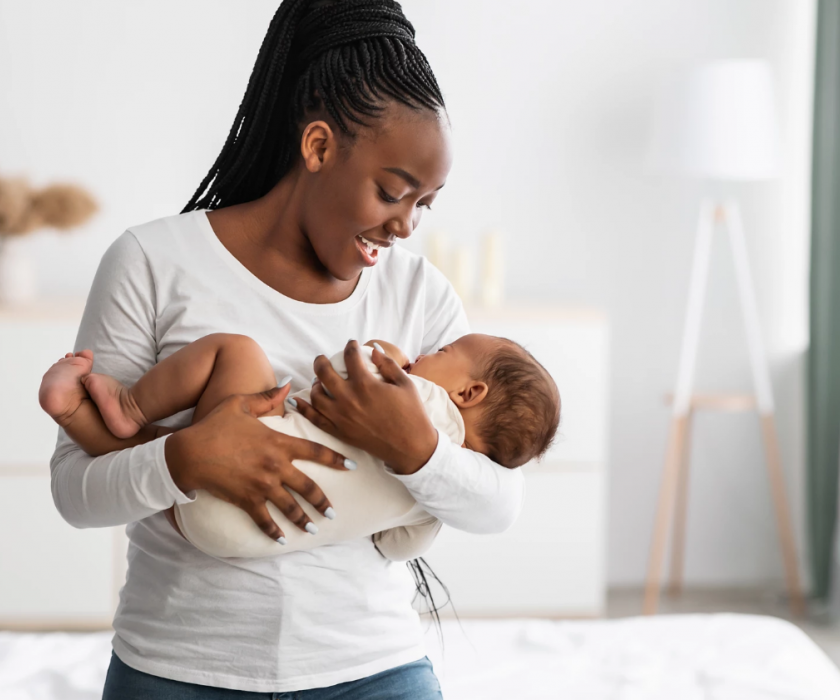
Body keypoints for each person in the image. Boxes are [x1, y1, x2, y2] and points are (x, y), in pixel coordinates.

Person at [48, 0, 527, 696]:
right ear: (319, 147)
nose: (406, 226)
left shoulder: (420, 295)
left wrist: (416, 451)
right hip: (179, 669)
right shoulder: (154, 260)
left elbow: (499, 503)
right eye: (394, 193)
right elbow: (74, 492)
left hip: (374, 668)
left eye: (427, 203)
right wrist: (183, 458)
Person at [40, 334, 560, 560]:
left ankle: (127, 407)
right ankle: (74, 411)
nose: (427, 351)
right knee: (184, 449)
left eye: (443, 351)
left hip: (208, 490)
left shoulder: (416, 394)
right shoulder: (437, 502)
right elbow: (395, 548)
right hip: (234, 540)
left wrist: (383, 352)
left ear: (469, 393)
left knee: (237, 353)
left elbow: (334, 374)